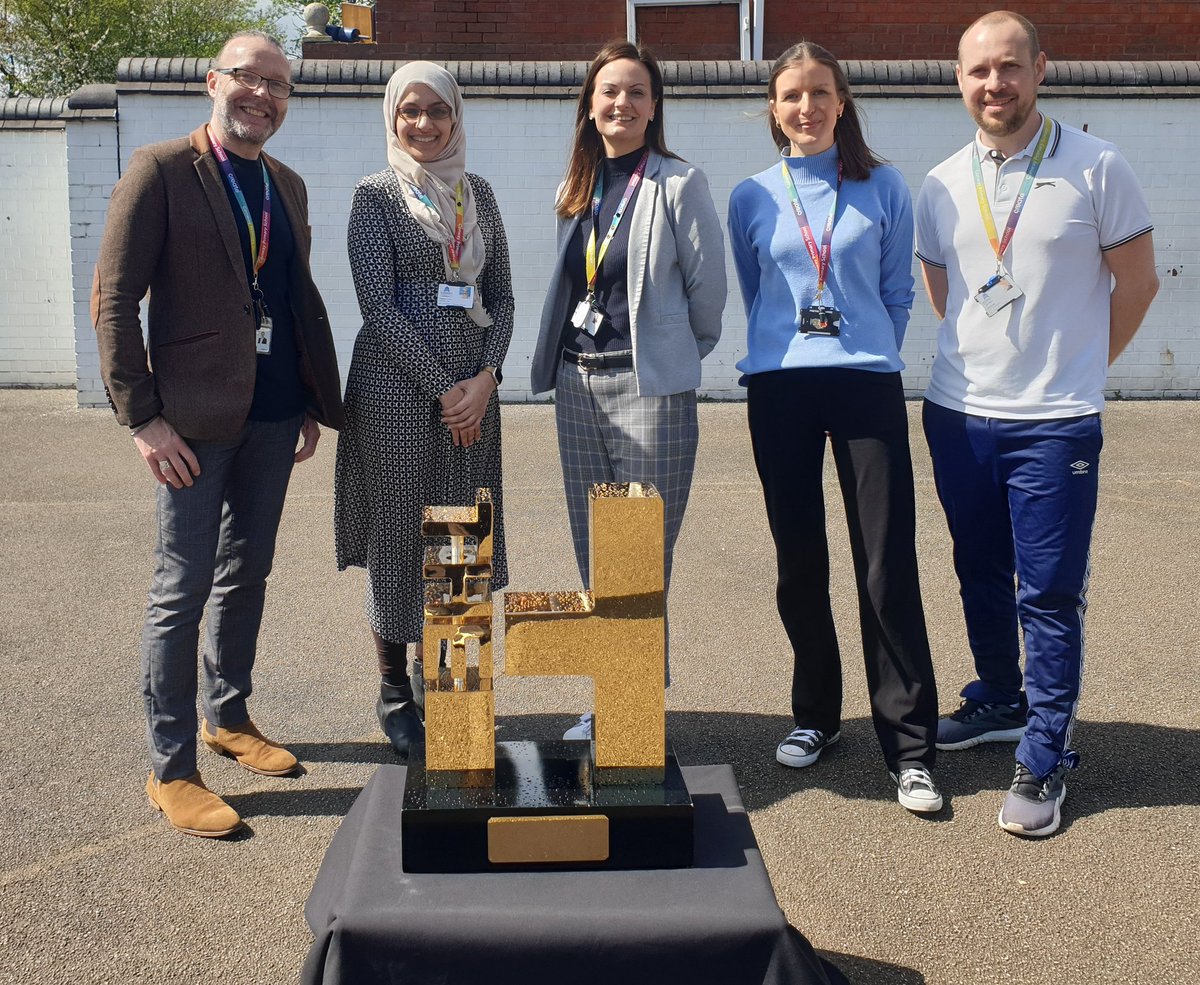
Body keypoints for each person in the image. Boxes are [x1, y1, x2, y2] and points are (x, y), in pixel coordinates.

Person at [91, 32, 344, 838]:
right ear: (213, 82)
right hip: (190, 427)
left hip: (273, 417)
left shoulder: (287, 185)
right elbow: (113, 299)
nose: (262, 94)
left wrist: (308, 397)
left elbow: (289, 298)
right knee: (182, 588)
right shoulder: (160, 171)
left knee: (249, 572)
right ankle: (171, 767)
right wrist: (143, 417)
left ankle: (227, 714)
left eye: (278, 84)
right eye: (248, 78)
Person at [916, 11, 1159, 837]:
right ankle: (999, 698)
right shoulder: (943, 181)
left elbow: (1139, 284)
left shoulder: (1098, 167)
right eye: (979, 70)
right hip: (957, 415)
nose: (995, 84)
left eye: (1010, 67)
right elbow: (942, 291)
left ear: (1041, 69)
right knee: (977, 569)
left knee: (1048, 594)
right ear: (959, 80)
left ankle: (1047, 752)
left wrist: (1081, 370)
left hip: (1054, 424)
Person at [727, 42, 942, 813]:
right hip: (780, 386)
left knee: (884, 563)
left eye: (820, 92)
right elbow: (759, 296)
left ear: (842, 101)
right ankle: (816, 714)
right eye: (792, 95)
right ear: (774, 109)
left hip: (864, 385)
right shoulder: (752, 195)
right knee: (799, 559)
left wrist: (865, 347)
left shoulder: (883, 186)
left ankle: (909, 744)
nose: (807, 107)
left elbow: (894, 293)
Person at [530, 40, 726, 740]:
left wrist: (674, 356)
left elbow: (708, 295)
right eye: (610, 91)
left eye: (637, 92)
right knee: (595, 551)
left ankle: (632, 705)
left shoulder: (678, 182)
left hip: (648, 391)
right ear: (589, 105)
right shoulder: (575, 191)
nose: (622, 103)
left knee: (638, 553)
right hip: (576, 387)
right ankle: (613, 693)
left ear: (653, 107)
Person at [335, 62, 513, 757]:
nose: (424, 124)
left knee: (460, 531)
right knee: (399, 532)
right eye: (410, 111)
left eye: (438, 111)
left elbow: (502, 300)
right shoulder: (374, 196)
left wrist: (488, 377)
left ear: (456, 116)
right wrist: (446, 389)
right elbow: (377, 308)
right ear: (392, 117)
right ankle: (393, 689)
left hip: (474, 392)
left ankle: (450, 678)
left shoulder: (482, 195)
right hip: (395, 392)